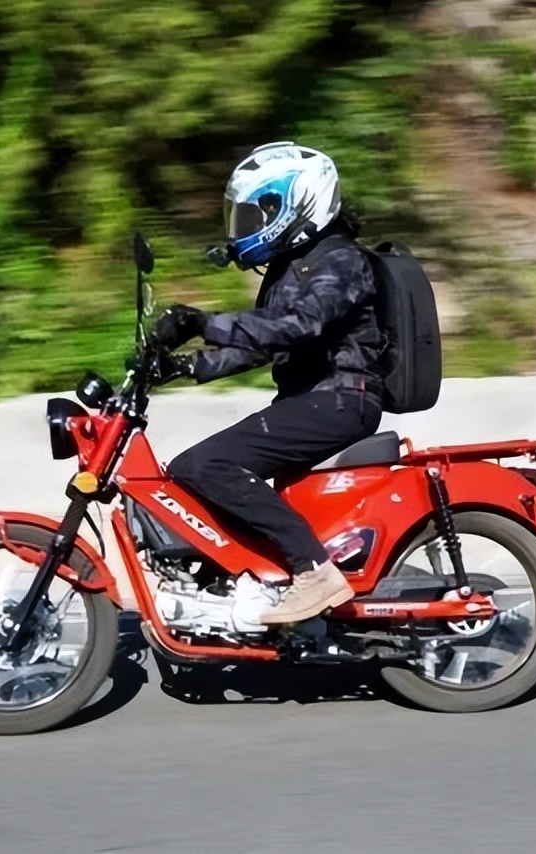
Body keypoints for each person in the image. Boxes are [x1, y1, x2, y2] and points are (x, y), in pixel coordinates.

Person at [151, 141, 384, 625]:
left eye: (261, 213)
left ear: (299, 205)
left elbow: (301, 325)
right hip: (312, 399)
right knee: (197, 470)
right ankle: (254, 580)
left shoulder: (341, 260)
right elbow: (263, 342)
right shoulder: (291, 267)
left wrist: (203, 323)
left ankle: (315, 572)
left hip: (340, 399)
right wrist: (185, 367)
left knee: (206, 464)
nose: (248, 226)